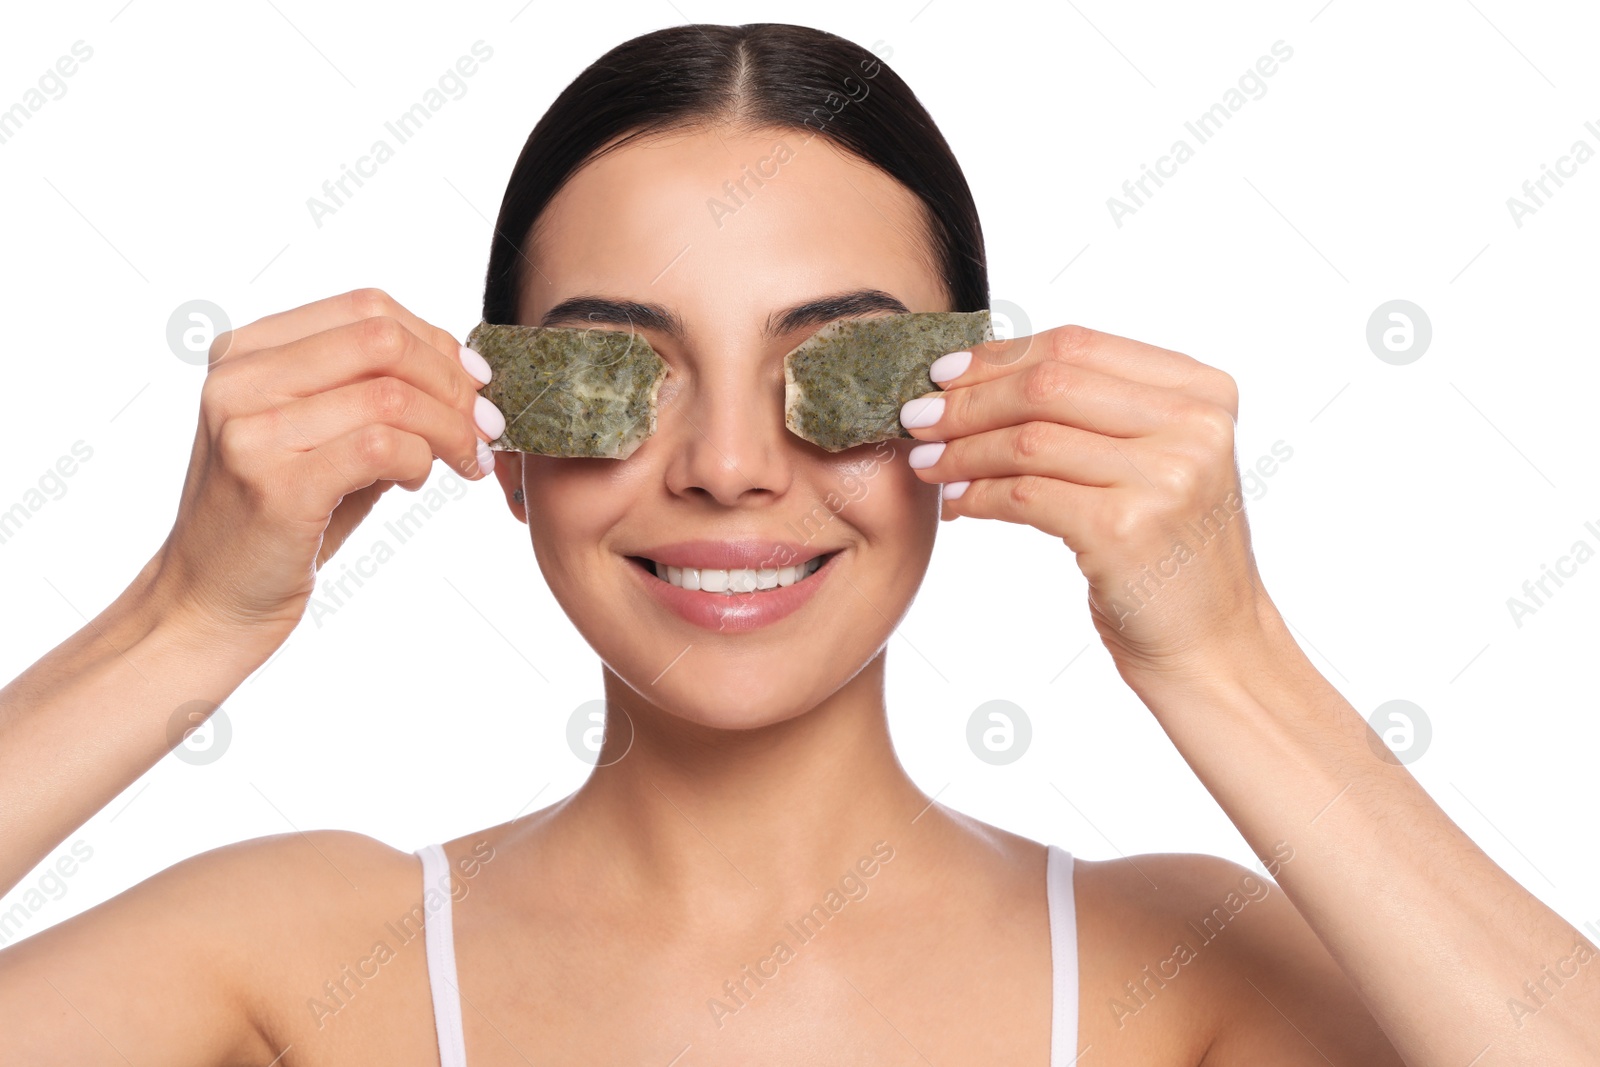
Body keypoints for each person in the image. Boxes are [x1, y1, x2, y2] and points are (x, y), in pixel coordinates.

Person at [1, 21, 1595, 1066]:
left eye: (833, 368)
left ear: (969, 409)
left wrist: (1227, 657)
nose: (728, 468)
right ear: (501, 434)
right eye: (620, 369)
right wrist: (181, 621)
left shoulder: (1182, 972)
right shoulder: (294, 960)